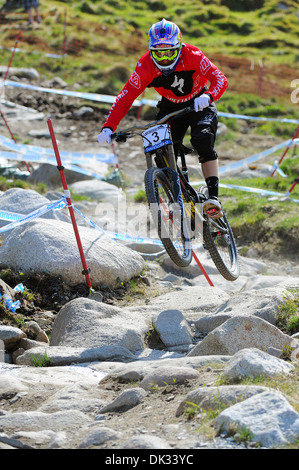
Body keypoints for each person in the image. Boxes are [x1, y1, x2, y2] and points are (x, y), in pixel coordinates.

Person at [97, 18, 228, 219]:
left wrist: (208, 96)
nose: (165, 58)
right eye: (159, 53)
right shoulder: (145, 66)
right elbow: (125, 97)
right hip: (170, 105)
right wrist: (108, 127)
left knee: (202, 139)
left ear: (179, 47)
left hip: (199, 101)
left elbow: (220, 79)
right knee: (159, 151)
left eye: (170, 52)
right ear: (151, 51)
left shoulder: (192, 55)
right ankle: (177, 197)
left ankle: (213, 198)